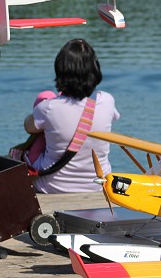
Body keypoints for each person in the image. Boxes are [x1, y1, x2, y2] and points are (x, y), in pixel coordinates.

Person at [23, 38, 119, 193]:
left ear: (60, 71)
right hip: (97, 184)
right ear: (94, 70)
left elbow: (28, 127)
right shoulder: (107, 100)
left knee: (31, 142)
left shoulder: (49, 107)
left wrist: (43, 103)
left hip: (51, 187)